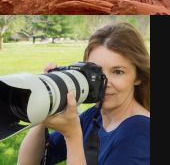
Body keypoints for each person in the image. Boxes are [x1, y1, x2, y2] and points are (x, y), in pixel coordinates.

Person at [17, 23, 150, 165]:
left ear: (138, 76)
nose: (104, 83)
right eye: (96, 72)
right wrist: (47, 105)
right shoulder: (94, 117)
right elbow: (29, 162)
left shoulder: (141, 131)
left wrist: (72, 136)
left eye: (118, 72)